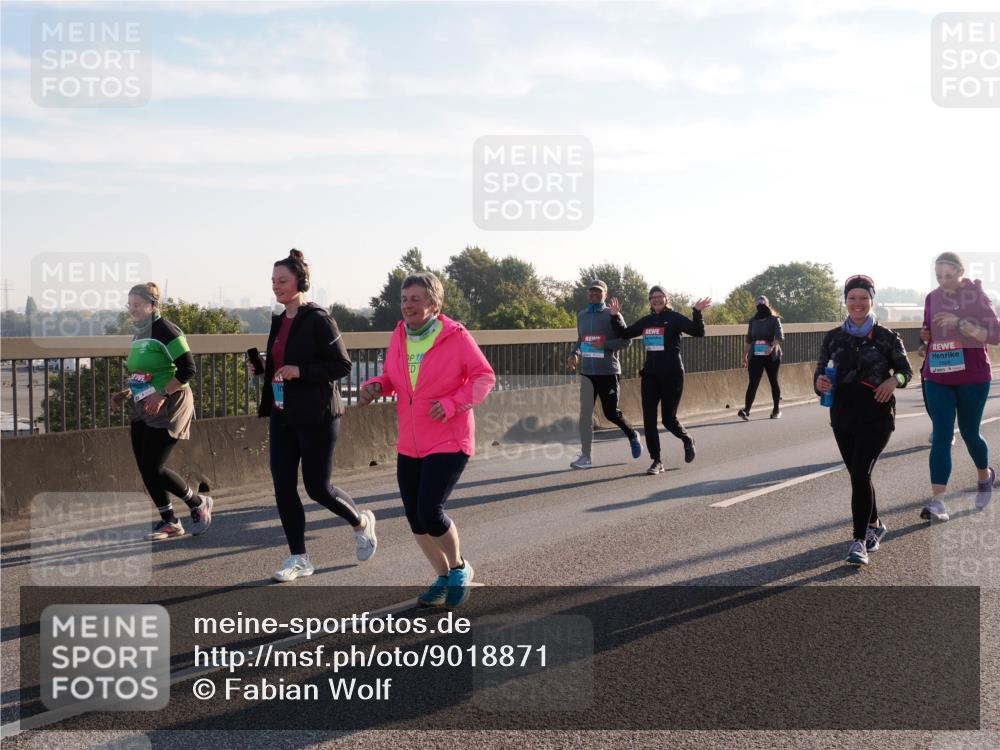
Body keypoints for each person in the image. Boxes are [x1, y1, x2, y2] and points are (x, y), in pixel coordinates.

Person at [358, 272, 495, 608]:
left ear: (434, 303)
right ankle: (443, 575)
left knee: (430, 511)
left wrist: (450, 404)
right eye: (404, 300)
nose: (408, 306)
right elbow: (394, 377)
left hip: (450, 437)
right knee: (414, 517)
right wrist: (377, 385)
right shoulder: (400, 335)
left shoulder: (456, 336)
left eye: (415, 299)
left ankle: (460, 567)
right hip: (411, 440)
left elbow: (484, 377)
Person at [257, 249, 376, 583]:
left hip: (317, 414)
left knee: (318, 487)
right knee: (282, 484)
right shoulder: (279, 320)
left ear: (301, 281)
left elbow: (342, 365)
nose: (276, 286)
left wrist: (301, 371)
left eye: (282, 280)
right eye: (273, 281)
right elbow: (283, 364)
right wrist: (265, 368)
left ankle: (361, 523)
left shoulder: (319, 318)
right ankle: (299, 557)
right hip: (283, 413)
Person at [815, 275, 912, 566]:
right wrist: (819, 382)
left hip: (877, 416)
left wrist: (893, 382)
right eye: (852, 298)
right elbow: (820, 371)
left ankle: (859, 541)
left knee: (859, 474)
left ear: (872, 300)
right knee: (859, 475)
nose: (857, 303)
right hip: (842, 415)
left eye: (863, 298)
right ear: (845, 301)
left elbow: (908, 372)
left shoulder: (886, 337)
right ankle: (875, 524)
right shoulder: (833, 337)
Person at [110, 282, 213, 540]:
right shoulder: (138, 334)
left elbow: (188, 369)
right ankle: (169, 521)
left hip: (170, 403)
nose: (132, 310)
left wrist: (162, 393)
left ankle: (197, 503)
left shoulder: (166, 330)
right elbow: (146, 373)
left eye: (137, 305)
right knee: (145, 467)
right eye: (129, 305)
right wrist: (128, 392)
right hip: (144, 404)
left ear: (152, 305)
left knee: (153, 465)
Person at [918, 252, 1000, 522]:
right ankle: (938, 502)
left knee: (969, 433)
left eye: (949, 276)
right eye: (939, 276)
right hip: (939, 375)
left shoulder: (976, 296)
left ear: (961, 272)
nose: (943, 282)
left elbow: (995, 335)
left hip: (973, 376)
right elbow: (927, 330)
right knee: (941, 435)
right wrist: (925, 338)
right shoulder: (932, 297)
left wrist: (960, 323)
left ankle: (984, 475)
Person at [607, 287, 712, 474]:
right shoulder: (647, 321)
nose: (656, 300)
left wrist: (697, 312)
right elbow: (625, 333)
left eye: (659, 297)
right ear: (650, 301)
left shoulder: (675, 318)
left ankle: (687, 439)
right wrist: (615, 316)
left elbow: (698, 332)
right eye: (653, 297)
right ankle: (657, 461)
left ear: (666, 298)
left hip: (672, 374)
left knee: (668, 419)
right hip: (650, 375)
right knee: (648, 419)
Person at [566, 279, 642, 469]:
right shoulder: (582, 315)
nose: (594, 294)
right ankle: (586, 456)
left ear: (605, 294)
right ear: (587, 294)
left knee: (611, 413)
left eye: (598, 292)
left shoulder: (612, 314)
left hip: (608, 372)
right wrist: (574, 353)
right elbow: (581, 339)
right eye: (591, 292)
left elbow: (626, 341)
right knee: (585, 415)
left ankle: (632, 434)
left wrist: (605, 345)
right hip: (587, 373)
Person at [738, 295, 784, 421]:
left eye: (763, 303)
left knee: (773, 381)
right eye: (758, 304)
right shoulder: (753, 321)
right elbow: (749, 339)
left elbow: (780, 337)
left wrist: (771, 346)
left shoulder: (774, 319)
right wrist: (745, 356)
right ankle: (746, 411)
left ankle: (776, 409)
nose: (761, 306)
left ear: (767, 305)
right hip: (756, 355)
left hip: (771, 355)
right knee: (753, 382)